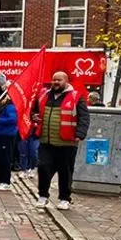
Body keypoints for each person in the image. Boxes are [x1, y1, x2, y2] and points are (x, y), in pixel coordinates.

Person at [32, 72, 90, 210]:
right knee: (43, 168)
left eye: (59, 80)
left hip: (67, 142)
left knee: (65, 172)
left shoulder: (76, 97)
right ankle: (43, 196)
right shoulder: (44, 96)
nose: (55, 82)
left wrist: (80, 134)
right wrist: (34, 117)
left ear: (66, 81)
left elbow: (84, 117)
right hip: (46, 141)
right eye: (53, 79)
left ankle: (65, 198)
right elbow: (34, 111)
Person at [0, 75, 18, 192]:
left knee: (5, 159)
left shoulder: (10, 106)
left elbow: (13, 120)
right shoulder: (1, 105)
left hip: (7, 135)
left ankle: (6, 181)